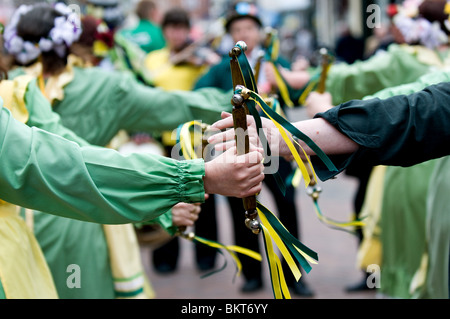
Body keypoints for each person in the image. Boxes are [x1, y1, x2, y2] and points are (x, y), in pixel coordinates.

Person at [2, 2, 254, 298]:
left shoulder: (11, 89)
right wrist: (244, 99)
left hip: (18, 237)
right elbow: (174, 107)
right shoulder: (103, 88)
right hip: (83, 218)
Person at [194, 0, 312, 296]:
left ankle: (294, 274)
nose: (243, 32)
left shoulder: (275, 64)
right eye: (236, 29)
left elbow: (299, 92)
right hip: (240, 148)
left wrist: (299, 76)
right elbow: (198, 94)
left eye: (248, 28)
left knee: (286, 205)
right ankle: (251, 274)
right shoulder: (223, 67)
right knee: (241, 210)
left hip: (274, 145)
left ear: (258, 32)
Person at [141, 7, 219, 274]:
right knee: (167, 196)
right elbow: (150, 81)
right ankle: (165, 258)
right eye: (171, 29)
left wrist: (204, 60)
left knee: (203, 196)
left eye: (181, 29)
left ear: (188, 31)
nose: (176, 34)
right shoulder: (153, 59)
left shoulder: (199, 58)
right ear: (164, 32)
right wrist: (176, 60)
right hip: (164, 136)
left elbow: (214, 79)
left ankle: (206, 257)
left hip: (197, 139)